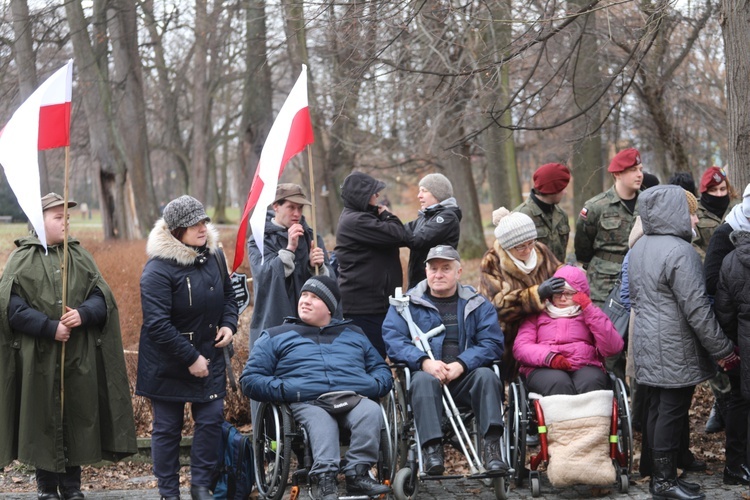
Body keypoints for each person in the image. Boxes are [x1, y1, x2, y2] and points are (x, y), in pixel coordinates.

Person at [0, 193, 137, 500]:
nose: (66, 222)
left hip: (77, 359)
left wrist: (83, 314)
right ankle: (46, 487)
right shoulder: (21, 260)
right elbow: (11, 308)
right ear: (40, 220)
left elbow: (103, 299)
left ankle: (72, 487)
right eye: (58, 217)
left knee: (74, 416)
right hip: (38, 360)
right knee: (42, 419)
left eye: (67, 217)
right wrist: (50, 328)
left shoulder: (80, 256)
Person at [629, 184, 737, 500]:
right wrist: (722, 349)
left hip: (647, 340)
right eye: (689, 213)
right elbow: (697, 308)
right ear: (674, 214)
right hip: (674, 343)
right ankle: (663, 482)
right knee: (672, 409)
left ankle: (658, 473)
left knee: (657, 407)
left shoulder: (639, 247)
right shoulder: (680, 251)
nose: (693, 220)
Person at [241, 275, 392, 500]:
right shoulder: (275, 336)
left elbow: (381, 370)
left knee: (370, 411)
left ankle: (358, 474)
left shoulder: (354, 334)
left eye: (314, 297)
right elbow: (250, 379)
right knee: (322, 420)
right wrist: (286, 389)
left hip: (351, 396)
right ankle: (325, 478)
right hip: (306, 401)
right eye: (303, 295)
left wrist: (370, 386)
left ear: (330, 308)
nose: (305, 300)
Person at [136, 195, 239, 500]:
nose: (202, 227)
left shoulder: (214, 256)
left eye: (204, 221)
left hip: (209, 356)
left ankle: (200, 486)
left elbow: (229, 299)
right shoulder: (157, 270)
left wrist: (228, 325)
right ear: (176, 230)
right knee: (167, 429)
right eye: (194, 224)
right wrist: (191, 357)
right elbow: (157, 324)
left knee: (210, 420)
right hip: (167, 363)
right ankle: (169, 492)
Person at [383, 245, 508, 476]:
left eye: (446, 268)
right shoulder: (405, 305)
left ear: (458, 272)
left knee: (487, 376)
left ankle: (492, 449)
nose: (438, 274)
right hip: (426, 379)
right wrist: (424, 362)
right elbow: (394, 340)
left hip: (464, 378)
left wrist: (462, 364)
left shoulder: (477, 304)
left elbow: (492, 343)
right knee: (422, 380)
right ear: (426, 271)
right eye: (433, 268)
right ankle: (432, 451)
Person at [514, 265, 623, 396]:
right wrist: (549, 357)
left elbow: (613, 348)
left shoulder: (590, 313)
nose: (563, 298)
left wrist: (589, 309)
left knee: (591, 382)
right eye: (558, 293)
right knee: (558, 382)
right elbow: (521, 347)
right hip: (544, 366)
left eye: (569, 293)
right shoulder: (537, 314)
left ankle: (591, 417)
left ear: (580, 294)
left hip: (585, 365)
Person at [248, 183, 334, 348]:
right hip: (274, 325)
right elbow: (264, 276)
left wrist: (317, 267)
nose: (297, 214)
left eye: (300, 208)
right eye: (291, 207)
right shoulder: (259, 239)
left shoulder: (312, 236)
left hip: (310, 327)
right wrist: (290, 249)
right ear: (276, 207)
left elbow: (330, 284)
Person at [478, 208, 561, 379]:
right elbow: (497, 306)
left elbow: (558, 272)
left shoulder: (541, 251)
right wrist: (535, 294)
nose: (528, 249)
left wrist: (568, 273)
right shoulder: (492, 261)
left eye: (530, 242)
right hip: (509, 333)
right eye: (520, 246)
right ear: (507, 246)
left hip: (544, 326)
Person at [335, 171, 408, 357]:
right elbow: (398, 234)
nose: (378, 197)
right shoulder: (357, 221)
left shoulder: (360, 216)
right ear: (363, 197)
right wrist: (388, 216)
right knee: (370, 359)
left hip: (372, 304)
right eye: (374, 194)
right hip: (365, 307)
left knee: (373, 357)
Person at [574, 147, 642, 306]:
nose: (639, 174)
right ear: (617, 174)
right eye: (633, 170)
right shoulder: (596, 206)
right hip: (604, 283)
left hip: (639, 278)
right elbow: (583, 244)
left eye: (640, 169)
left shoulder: (649, 204)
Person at [714, 228, 750, 486]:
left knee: (738, 401)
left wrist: (732, 346)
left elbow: (724, 311)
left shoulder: (731, 260)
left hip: (741, 343)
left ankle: (735, 467)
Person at [404, 172, 462, 288]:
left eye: (424, 191)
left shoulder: (446, 217)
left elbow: (417, 240)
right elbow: (401, 230)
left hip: (435, 285)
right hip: (420, 284)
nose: (419, 195)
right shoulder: (426, 217)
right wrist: (383, 221)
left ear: (438, 194)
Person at [515, 163, 571, 264]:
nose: (565, 192)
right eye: (562, 188)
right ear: (553, 190)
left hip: (558, 276)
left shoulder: (561, 215)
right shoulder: (520, 217)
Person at [694, 167, 735, 261]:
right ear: (705, 191)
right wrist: (711, 265)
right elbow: (693, 244)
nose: (719, 194)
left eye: (723, 189)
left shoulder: (737, 208)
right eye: (713, 190)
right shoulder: (695, 212)